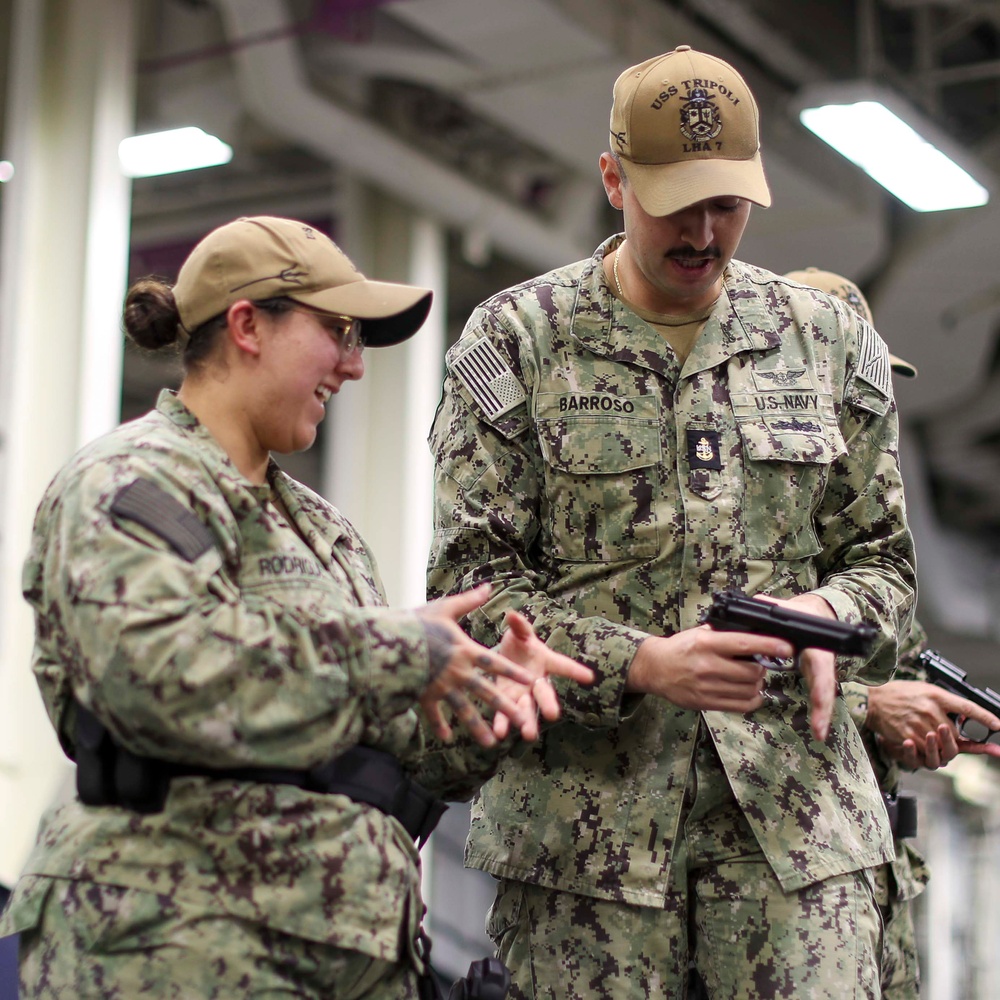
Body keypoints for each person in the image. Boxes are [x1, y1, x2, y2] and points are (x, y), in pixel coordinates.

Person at [427, 45, 917, 999]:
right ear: (613, 179)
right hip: (587, 856)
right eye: (675, 203)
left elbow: (887, 574)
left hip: (799, 840)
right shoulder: (517, 341)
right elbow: (471, 602)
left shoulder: (825, 340)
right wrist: (641, 664)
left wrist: (827, 612)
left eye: (726, 204)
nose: (702, 231)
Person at [0, 215, 594, 1000]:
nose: (352, 366)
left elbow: (391, 755)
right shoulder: (133, 483)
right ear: (247, 324)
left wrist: (485, 703)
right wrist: (397, 650)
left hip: (342, 955)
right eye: (338, 332)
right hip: (175, 947)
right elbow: (163, 676)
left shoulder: (325, 533)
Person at [786, 267, 1000, 999]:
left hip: (864, 876)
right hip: (769, 896)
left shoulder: (861, 525)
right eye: (847, 373)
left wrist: (918, 721)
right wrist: (867, 707)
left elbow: (891, 677)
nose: (866, 403)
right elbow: (696, 681)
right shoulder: (741, 521)